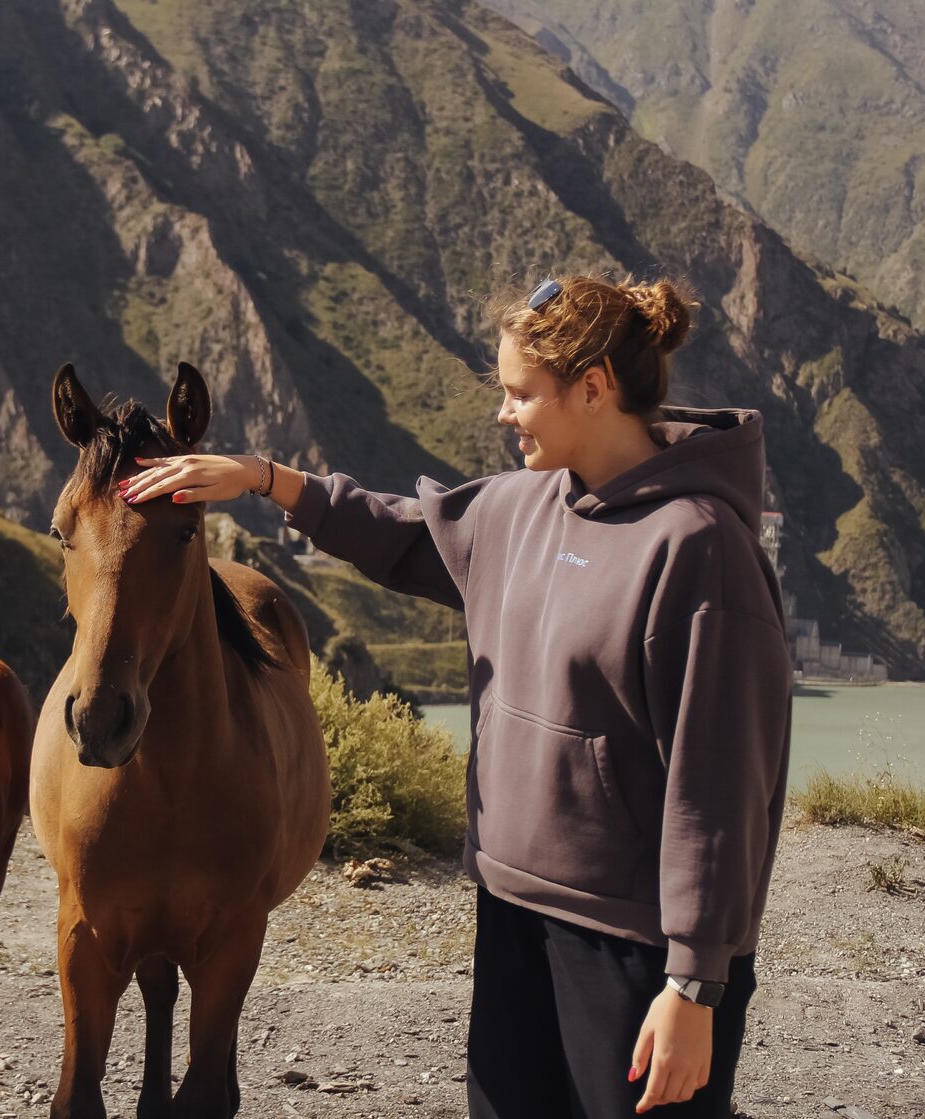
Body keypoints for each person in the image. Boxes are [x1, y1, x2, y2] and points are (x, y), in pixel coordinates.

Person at [119, 274, 792, 1117]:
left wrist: (695, 983)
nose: (505, 414)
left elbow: (722, 792)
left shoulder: (698, 549)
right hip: (512, 908)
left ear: (593, 387)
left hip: (633, 944)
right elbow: (404, 535)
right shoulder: (519, 506)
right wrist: (262, 478)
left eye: (520, 394)